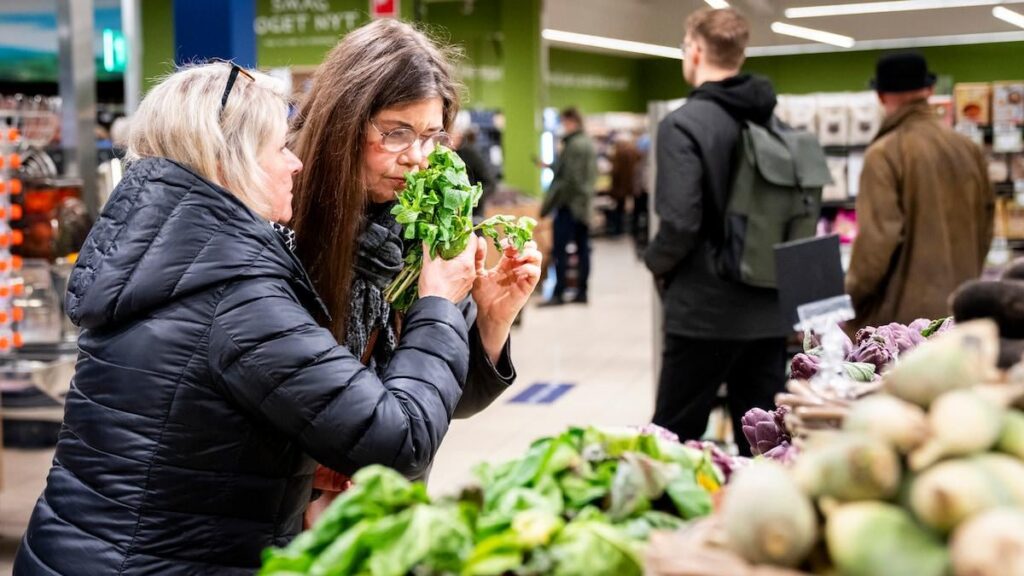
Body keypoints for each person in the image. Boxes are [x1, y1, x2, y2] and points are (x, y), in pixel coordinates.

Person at [14, 62, 492, 575]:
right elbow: (401, 440)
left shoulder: (170, 256)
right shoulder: (234, 297)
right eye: (280, 148)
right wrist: (438, 301)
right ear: (231, 163)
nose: (297, 165)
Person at [288, 19, 542, 516]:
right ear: (343, 121)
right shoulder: (285, 223)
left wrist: (488, 323)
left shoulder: (424, 226)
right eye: (396, 133)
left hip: (386, 504)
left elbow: (442, 401)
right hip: (289, 512)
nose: (418, 159)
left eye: (431, 135)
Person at [644, 8, 788, 455]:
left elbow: (681, 221)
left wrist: (656, 263)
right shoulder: (773, 122)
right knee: (764, 440)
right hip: (769, 305)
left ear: (697, 50)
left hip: (705, 311)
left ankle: (671, 524)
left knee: (673, 439)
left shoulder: (682, 125)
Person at [846, 52, 994, 330]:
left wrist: (850, 301)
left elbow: (876, 244)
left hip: (904, 323)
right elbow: (985, 228)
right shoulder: (967, 148)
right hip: (961, 313)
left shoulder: (884, 153)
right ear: (929, 91)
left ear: (880, 96)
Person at [538, 106, 597, 306]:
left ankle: (559, 292)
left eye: (563, 122)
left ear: (571, 121)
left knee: (560, 251)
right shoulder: (588, 143)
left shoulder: (573, 145)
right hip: (584, 205)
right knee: (583, 249)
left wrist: (547, 206)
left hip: (569, 206)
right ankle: (582, 291)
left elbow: (568, 181)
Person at [451, 111, 497, 219]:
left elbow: (490, 183)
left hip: (473, 216)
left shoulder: (471, 154)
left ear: (459, 134)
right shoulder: (442, 154)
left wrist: (472, 199)